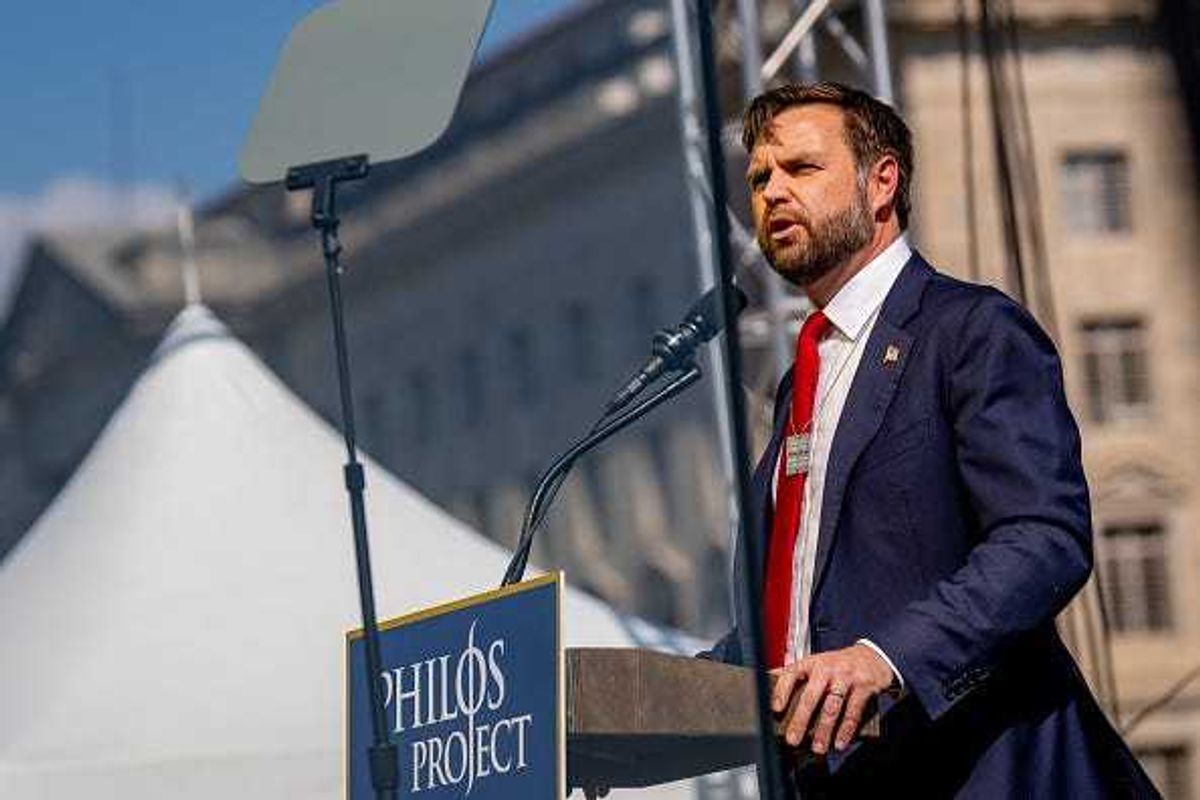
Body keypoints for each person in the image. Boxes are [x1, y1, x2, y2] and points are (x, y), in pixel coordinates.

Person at [702, 82, 1157, 797]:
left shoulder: (969, 331)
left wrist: (887, 659)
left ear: (883, 181)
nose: (772, 192)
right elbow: (802, 614)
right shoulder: (803, 380)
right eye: (760, 177)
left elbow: (1043, 537)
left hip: (979, 770)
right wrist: (656, 694)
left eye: (801, 168)